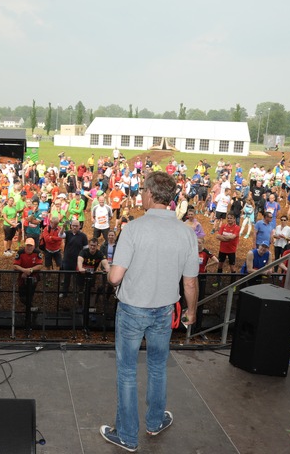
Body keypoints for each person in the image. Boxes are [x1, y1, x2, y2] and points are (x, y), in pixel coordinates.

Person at [100, 171, 198, 452]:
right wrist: (191, 312)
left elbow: (116, 277)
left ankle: (127, 436)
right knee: (157, 367)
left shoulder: (133, 229)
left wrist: (107, 269)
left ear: (152, 195)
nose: (140, 194)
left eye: (143, 190)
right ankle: (155, 422)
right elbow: (190, 282)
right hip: (165, 311)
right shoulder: (186, 233)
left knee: (127, 372)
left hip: (132, 310)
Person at [59, 219, 88, 299]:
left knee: (77, 279)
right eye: (73, 225)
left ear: (79, 226)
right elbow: (60, 235)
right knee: (66, 278)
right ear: (71, 226)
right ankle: (64, 293)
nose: (75, 227)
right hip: (67, 260)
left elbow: (86, 248)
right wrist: (63, 227)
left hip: (78, 261)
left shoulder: (83, 236)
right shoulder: (68, 233)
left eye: (76, 226)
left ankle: (76, 295)